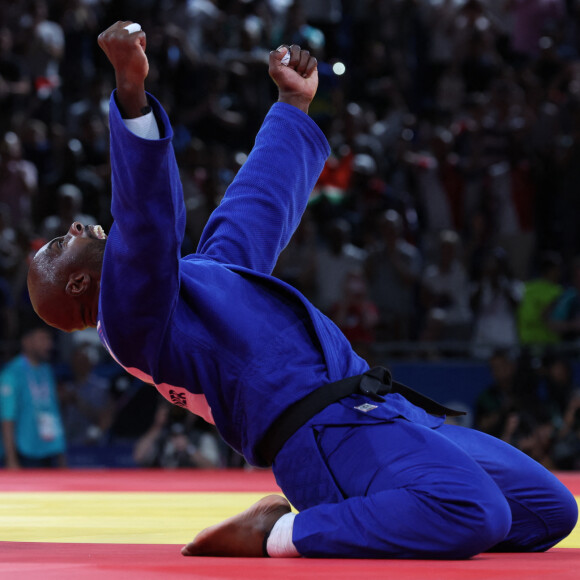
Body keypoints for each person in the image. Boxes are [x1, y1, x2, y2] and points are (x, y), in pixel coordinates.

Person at [26, 21, 577, 559]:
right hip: (324, 435)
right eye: (57, 244)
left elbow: (253, 212)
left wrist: (293, 105)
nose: (72, 229)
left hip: (379, 410)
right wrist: (131, 94)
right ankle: (280, 533)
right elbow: (147, 224)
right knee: (473, 512)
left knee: (549, 509)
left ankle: (387, 510)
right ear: (78, 283)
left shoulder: (191, 291)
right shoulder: (129, 325)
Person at [0, 323, 66, 469]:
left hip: (49, 450)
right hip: (24, 452)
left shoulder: (47, 370)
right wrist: (11, 460)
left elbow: (53, 412)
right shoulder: (11, 374)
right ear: (26, 342)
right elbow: (7, 419)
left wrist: (61, 454)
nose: (49, 344)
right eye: (43, 339)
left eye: (49, 339)